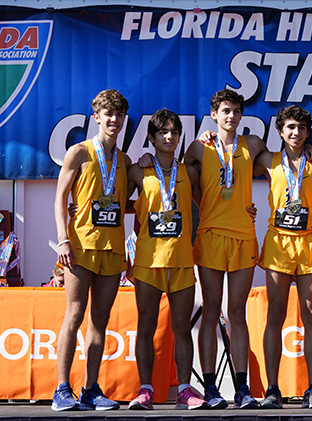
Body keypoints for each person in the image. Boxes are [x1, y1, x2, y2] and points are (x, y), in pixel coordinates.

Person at [183, 89, 263, 409]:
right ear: (214, 114)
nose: (232, 116)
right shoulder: (200, 147)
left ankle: (242, 388)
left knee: (237, 313)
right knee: (211, 312)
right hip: (211, 235)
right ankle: (210, 387)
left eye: (236, 111)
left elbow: (285, 161)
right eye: (226, 111)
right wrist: (205, 204)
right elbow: (179, 175)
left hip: (243, 235)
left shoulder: (252, 145)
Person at [52, 89, 131, 411]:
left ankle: (91, 388)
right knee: (74, 314)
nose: (114, 120)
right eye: (107, 114)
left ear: (124, 119)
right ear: (96, 117)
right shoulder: (79, 152)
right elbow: (60, 198)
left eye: (119, 115)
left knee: (100, 320)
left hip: (111, 250)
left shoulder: (125, 161)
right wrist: (62, 238)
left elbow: (127, 204)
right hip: (80, 247)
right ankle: (61, 389)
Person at [125, 109, 209, 411]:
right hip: (148, 261)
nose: (170, 137)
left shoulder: (190, 171)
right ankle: (145, 389)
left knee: (182, 328)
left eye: (174, 132)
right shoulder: (138, 171)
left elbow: (209, 200)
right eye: (163, 132)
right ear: (152, 137)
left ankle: (185, 389)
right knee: (146, 326)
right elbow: (118, 204)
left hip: (183, 260)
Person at [252, 105, 312, 409]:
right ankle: (272, 388)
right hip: (278, 243)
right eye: (290, 127)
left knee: (311, 315)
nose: (296, 133)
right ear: (281, 131)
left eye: (301, 128)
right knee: (275, 314)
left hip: (310, 240)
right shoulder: (267, 161)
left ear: (308, 132)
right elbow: (245, 149)